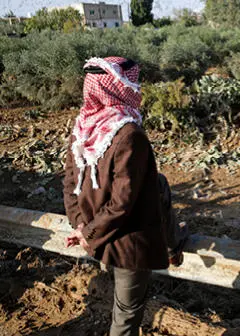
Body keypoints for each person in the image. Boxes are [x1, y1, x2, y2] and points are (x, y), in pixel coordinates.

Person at [63, 56, 187, 336]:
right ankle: (173, 247)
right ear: (117, 86)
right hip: (127, 242)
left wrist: (81, 225)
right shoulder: (130, 134)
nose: (135, 86)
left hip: (97, 234)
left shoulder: (82, 128)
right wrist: (88, 232)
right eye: (132, 80)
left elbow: (70, 183)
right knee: (126, 318)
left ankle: (173, 245)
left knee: (159, 183)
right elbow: (122, 203)